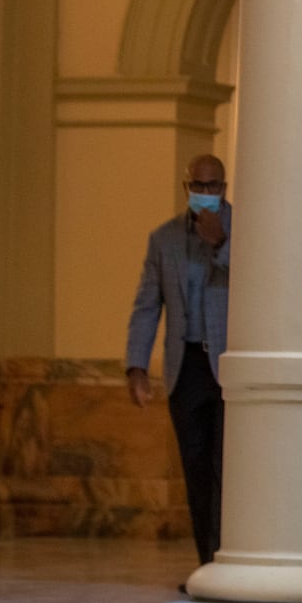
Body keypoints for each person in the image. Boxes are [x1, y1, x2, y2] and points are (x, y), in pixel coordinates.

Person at [125, 153, 230, 569]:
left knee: (228, 474)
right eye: (198, 187)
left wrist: (221, 242)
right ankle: (206, 565)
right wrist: (136, 365)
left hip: (228, 368)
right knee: (197, 470)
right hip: (184, 368)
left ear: (225, 188)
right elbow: (147, 304)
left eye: (214, 187)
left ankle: (229, 563)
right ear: (186, 189)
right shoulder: (163, 239)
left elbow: (260, 285)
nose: (206, 194)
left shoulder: (244, 231)